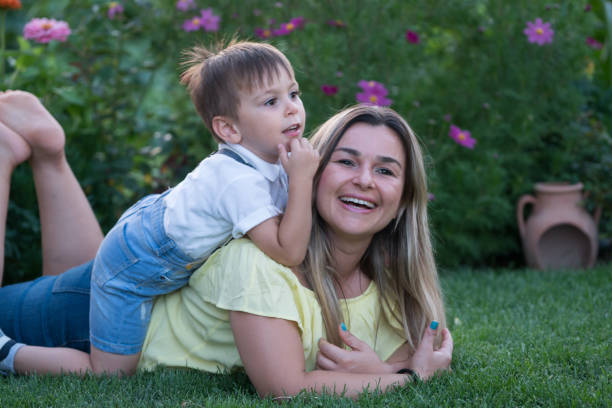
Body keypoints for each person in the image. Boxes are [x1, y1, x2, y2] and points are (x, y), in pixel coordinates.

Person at [0, 98, 453, 399]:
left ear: (402, 204)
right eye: (347, 161)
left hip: (120, 288)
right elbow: (286, 387)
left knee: (82, 272)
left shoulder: (391, 291)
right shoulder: (262, 257)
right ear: (310, 173)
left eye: (387, 171)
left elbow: (415, 355)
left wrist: (381, 368)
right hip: (97, 324)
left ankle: (49, 156)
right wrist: (400, 380)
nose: (365, 180)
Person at [0, 39, 319, 377]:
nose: (291, 108)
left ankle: (45, 148)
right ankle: (8, 353)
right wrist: (302, 180)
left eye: (294, 94)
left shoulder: (269, 157)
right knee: (111, 370)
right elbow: (288, 251)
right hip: (135, 265)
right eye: (271, 101)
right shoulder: (238, 182)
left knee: (70, 289)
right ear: (228, 129)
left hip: (155, 224)